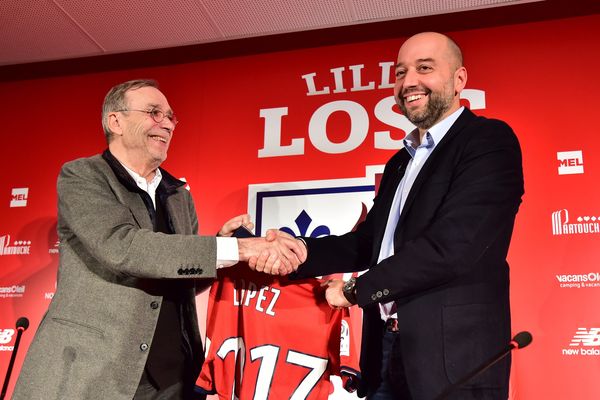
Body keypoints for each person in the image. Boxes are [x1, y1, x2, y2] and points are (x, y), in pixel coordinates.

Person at [258, 32, 524, 400]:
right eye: (400, 72)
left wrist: (355, 291)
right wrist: (302, 251)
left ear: (459, 80)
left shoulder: (488, 141)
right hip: (384, 351)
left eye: (424, 68)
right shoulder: (401, 161)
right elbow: (370, 242)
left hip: (453, 363)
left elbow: (454, 246)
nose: (408, 81)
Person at [11, 79, 305, 400]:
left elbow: (183, 280)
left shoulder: (179, 194)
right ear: (116, 121)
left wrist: (222, 248)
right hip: (96, 372)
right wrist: (240, 248)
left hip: (173, 376)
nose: (166, 124)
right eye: (153, 113)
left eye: (170, 117)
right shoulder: (83, 176)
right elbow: (124, 247)